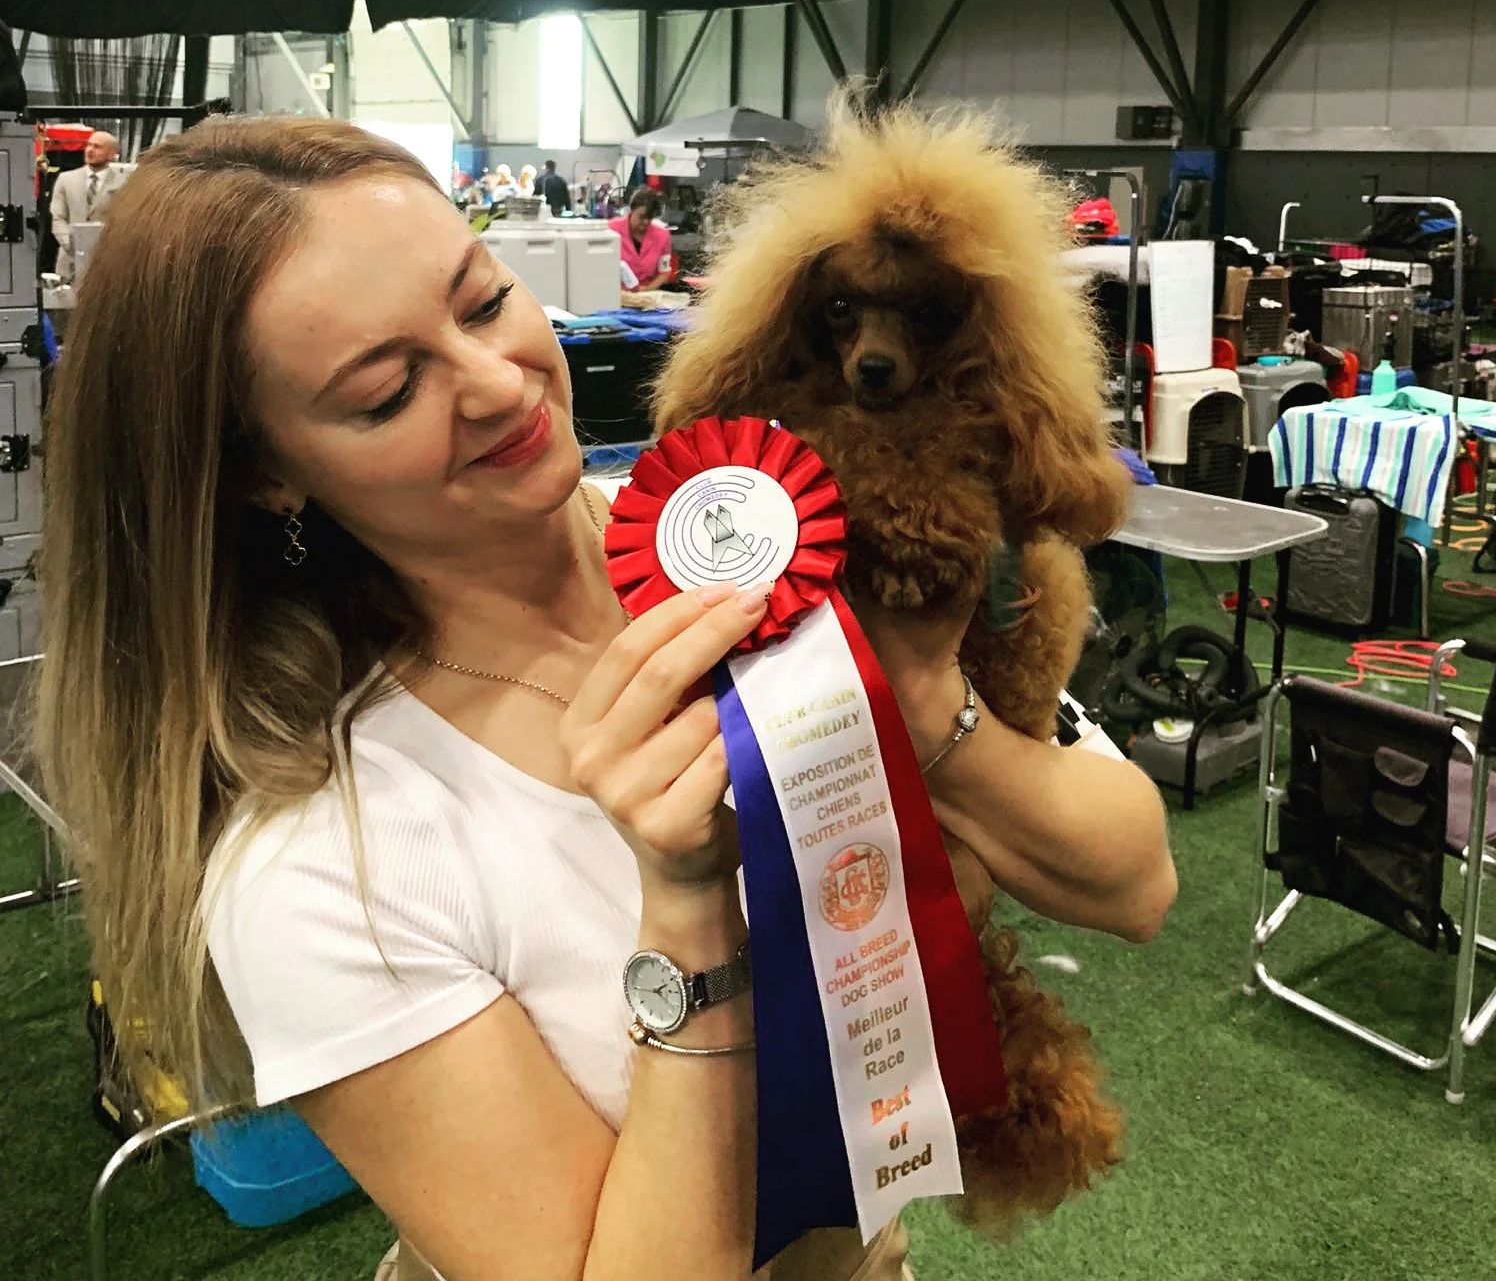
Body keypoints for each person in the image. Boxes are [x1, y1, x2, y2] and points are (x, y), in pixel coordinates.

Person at [35, 118, 1175, 1281]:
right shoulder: (320, 858)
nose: (496, 383)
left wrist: (924, 706)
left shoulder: (750, 530)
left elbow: (1136, 882)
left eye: (482, 303)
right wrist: (683, 909)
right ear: (265, 472)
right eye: (386, 391)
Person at [49, 129, 132, 281]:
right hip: (69, 261)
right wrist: (73, 245)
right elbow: (58, 218)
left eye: (97, 147)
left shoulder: (124, 184)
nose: (90, 150)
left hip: (107, 260)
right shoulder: (66, 179)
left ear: (112, 154)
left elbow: (128, 221)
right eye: (89, 145)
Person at [610, 186, 672, 291]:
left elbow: (664, 273)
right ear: (631, 209)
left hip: (647, 295)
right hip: (615, 294)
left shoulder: (662, 235)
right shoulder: (611, 230)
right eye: (642, 217)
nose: (646, 222)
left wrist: (646, 290)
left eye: (650, 217)